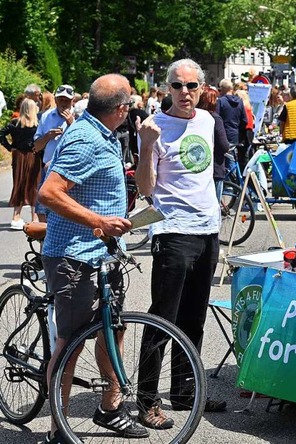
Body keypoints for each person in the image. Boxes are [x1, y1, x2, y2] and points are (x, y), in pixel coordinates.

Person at [38, 74, 145, 443]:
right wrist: (99, 220)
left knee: (113, 330)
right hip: (74, 256)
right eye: (129, 103)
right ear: (121, 109)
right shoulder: (85, 139)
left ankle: (110, 409)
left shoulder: (101, 132)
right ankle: (58, 430)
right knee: (70, 343)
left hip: (103, 255)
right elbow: (49, 193)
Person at [136, 58, 227, 429]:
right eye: (177, 86)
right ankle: (146, 399)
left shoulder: (208, 121)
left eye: (191, 86)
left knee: (194, 317)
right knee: (163, 318)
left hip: (208, 230)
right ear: (166, 88)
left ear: (203, 88)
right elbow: (145, 188)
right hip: (172, 232)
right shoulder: (153, 127)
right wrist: (145, 146)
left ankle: (185, 391)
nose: (185, 93)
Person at [33, 84, 76, 222]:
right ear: (55, 100)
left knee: (68, 212)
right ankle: (43, 242)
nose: (64, 103)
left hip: (70, 170)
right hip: (49, 169)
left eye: (67, 100)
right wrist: (47, 136)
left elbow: (84, 141)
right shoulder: (46, 116)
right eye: (61, 99)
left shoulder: (80, 117)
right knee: (41, 209)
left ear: (72, 100)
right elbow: (36, 146)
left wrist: (72, 124)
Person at [0, 98, 41, 228]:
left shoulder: (15, 123)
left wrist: (9, 147)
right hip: (34, 156)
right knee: (35, 184)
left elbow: (1, 134)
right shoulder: (38, 124)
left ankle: (16, 217)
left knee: (19, 183)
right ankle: (35, 218)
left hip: (18, 155)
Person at [197, 85, 230, 199]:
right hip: (215, 167)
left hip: (198, 168)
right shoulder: (215, 118)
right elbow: (224, 145)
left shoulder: (194, 118)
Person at [217, 78, 248, 165]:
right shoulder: (240, 101)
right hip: (235, 134)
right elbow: (245, 120)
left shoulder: (221, 101)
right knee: (233, 158)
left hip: (223, 134)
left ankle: (229, 178)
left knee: (224, 160)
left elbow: (217, 119)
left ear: (223, 89)